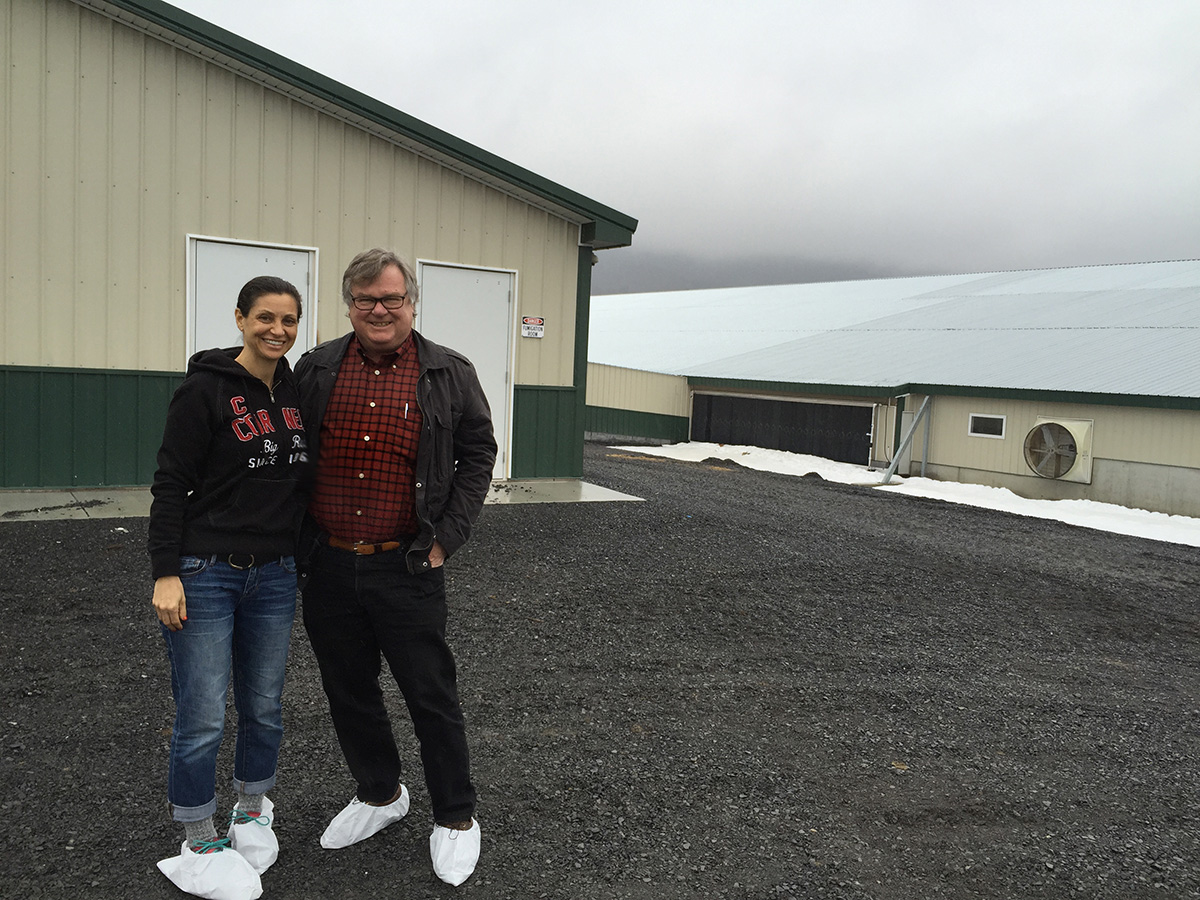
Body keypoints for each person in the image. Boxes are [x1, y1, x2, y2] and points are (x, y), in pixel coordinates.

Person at [295, 248, 496, 887]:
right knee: (348, 689)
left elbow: (478, 455)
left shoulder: (449, 372)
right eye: (365, 300)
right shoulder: (317, 368)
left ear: (411, 302)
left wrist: (447, 539)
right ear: (349, 305)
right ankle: (381, 793)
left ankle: (456, 817)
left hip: (407, 564)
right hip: (329, 564)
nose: (378, 310)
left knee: (429, 693)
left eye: (391, 298)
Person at [148, 276, 309, 900]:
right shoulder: (204, 390)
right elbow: (170, 482)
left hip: (275, 574)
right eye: (265, 317)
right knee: (203, 713)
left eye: (288, 320)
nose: (277, 330)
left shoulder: (296, 391)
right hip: (206, 570)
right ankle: (198, 838)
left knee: (264, 705)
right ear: (240, 319)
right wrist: (165, 571)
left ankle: (253, 808)